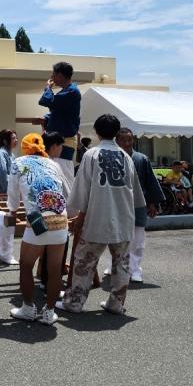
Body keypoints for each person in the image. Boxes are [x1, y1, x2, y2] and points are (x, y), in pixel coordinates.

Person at [55, 114, 145, 316]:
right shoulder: (126, 157)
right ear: (116, 133)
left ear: (96, 131)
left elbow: (83, 190)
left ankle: (74, 303)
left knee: (84, 261)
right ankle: (116, 304)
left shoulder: (92, 155)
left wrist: (79, 215)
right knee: (121, 263)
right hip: (123, 218)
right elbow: (135, 193)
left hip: (97, 217)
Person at [7, 133, 69, 326]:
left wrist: (12, 210)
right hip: (60, 218)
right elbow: (65, 192)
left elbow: (13, 193)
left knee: (26, 265)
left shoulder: (18, 162)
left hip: (37, 221)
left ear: (25, 147)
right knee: (54, 269)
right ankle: (49, 312)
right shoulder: (53, 164)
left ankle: (27, 308)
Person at [112, 128, 165, 283]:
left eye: (130, 139)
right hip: (117, 204)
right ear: (117, 141)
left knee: (138, 239)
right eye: (123, 140)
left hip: (138, 204)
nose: (127, 143)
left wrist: (153, 203)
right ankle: (114, 265)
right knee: (115, 238)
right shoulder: (112, 158)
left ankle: (135, 270)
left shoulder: (142, 159)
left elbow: (150, 182)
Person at [38, 61, 81, 191]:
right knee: (54, 177)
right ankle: (58, 208)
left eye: (53, 75)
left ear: (60, 75)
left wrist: (48, 88)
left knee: (64, 180)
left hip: (64, 142)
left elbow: (45, 100)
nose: (52, 78)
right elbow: (59, 112)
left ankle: (67, 210)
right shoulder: (67, 91)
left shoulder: (72, 91)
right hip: (58, 140)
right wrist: (46, 118)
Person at [0, 129, 17, 194]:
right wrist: (9, 190)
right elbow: (2, 174)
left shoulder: (12, 155)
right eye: (13, 138)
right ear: (5, 141)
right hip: (2, 191)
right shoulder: (0, 153)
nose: (16, 140)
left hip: (11, 189)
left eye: (16, 138)